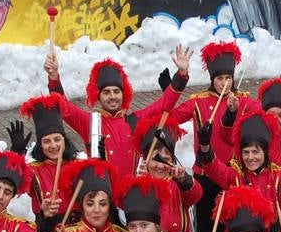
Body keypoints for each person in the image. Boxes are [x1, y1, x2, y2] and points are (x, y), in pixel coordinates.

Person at [44, 47, 191, 176]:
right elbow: (63, 107)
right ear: (98, 96)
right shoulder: (90, 123)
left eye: (116, 91)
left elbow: (164, 104)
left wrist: (181, 75)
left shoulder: (136, 120)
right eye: (106, 92)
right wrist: (53, 77)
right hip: (103, 201)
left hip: (132, 199)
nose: (112, 96)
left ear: (123, 94)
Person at [170, 40, 251, 232]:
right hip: (205, 174)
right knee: (206, 226)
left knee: (232, 226)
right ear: (212, 79)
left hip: (232, 174)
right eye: (220, 78)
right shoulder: (198, 101)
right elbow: (170, 117)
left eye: (228, 78)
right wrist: (172, 86)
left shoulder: (244, 101)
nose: (225, 83)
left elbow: (268, 116)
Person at [195, 109, 281, 232]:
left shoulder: (279, 178)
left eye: (255, 152)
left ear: (265, 153)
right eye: (246, 152)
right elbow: (212, 167)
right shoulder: (234, 177)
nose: (250, 157)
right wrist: (205, 145)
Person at [216, 76, 281, 172]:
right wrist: (231, 114)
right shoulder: (252, 131)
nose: (276, 119)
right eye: (272, 114)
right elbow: (227, 137)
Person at [133, 121, 203, 232]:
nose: (160, 166)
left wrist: (183, 179)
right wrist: (138, 185)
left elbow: (196, 195)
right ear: (146, 160)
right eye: (156, 159)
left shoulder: (178, 184)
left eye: (166, 160)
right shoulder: (137, 184)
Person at [16, 94, 79, 218]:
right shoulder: (33, 170)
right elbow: (13, 185)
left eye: (57, 139)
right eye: (46, 141)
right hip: (47, 231)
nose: (53, 145)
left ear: (65, 141)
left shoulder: (79, 166)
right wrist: (17, 153)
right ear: (40, 145)